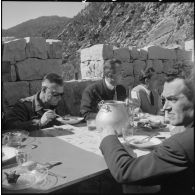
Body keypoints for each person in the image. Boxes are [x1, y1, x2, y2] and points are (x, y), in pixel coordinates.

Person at [99, 75, 194, 194]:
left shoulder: (181, 143)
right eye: (165, 100)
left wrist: (108, 137)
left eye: (173, 99)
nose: (165, 107)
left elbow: (125, 171)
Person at [4, 73, 70, 131]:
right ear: (44, 90)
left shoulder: (59, 103)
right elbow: (10, 126)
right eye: (55, 94)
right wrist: (39, 122)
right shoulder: (24, 105)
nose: (59, 98)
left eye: (61, 94)